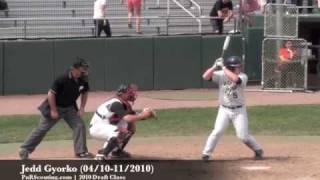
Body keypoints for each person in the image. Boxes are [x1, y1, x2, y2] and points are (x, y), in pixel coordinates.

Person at [19, 57, 93, 160]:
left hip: (70, 108)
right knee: (42, 129)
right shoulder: (62, 78)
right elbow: (51, 94)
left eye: (85, 69)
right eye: (82, 69)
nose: (85, 72)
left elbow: (84, 92)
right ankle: (24, 149)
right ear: (74, 69)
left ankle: (80, 152)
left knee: (79, 125)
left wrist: (82, 108)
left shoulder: (83, 79)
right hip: (55, 106)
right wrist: (53, 110)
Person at [201, 56, 263, 161]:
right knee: (217, 131)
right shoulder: (221, 74)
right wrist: (214, 67)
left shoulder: (243, 76)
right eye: (237, 67)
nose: (240, 68)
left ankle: (258, 149)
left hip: (239, 111)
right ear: (231, 68)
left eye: (239, 66)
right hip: (224, 110)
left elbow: (235, 80)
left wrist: (223, 67)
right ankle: (206, 154)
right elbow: (205, 77)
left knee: (243, 136)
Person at [89, 84, 156, 160]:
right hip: (97, 128)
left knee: (130, 128)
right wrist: (144, 115)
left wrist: (147, 115)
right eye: (129, 92)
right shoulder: (116, 103)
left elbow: (133, 117)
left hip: (106, 126)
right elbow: (128, 118)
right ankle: (101, 155)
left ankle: (116, 151)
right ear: (122, 94)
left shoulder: (125, 104)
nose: (132, 94)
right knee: (120, 131)